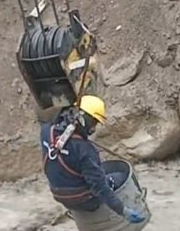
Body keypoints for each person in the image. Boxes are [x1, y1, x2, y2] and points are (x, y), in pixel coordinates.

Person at [40, 95, 145, 224]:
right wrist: (123, 211)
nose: (94, 128)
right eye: (94, 122)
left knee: (95, 171)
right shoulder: (85, 150)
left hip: (59, 195)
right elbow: (100, 188)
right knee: (119, 175)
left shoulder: (46, 132)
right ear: (84, 118)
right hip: (83, 200)